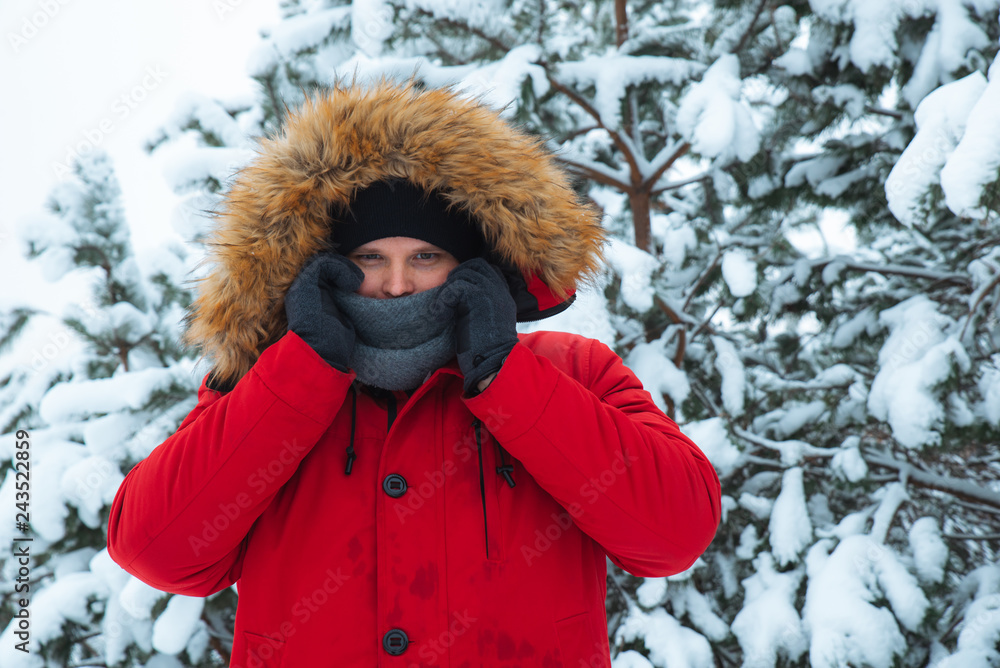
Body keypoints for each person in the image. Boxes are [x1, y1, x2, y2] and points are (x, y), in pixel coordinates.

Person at [107, 80, 721, 667]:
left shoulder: (575, 370)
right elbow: (157, 550)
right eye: (370, 257)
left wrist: (507, 378)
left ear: (474, 265)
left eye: (426, 256)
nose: (397, 285)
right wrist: (302, 371)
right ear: (324, 266)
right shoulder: (263, 384)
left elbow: (675, 535)